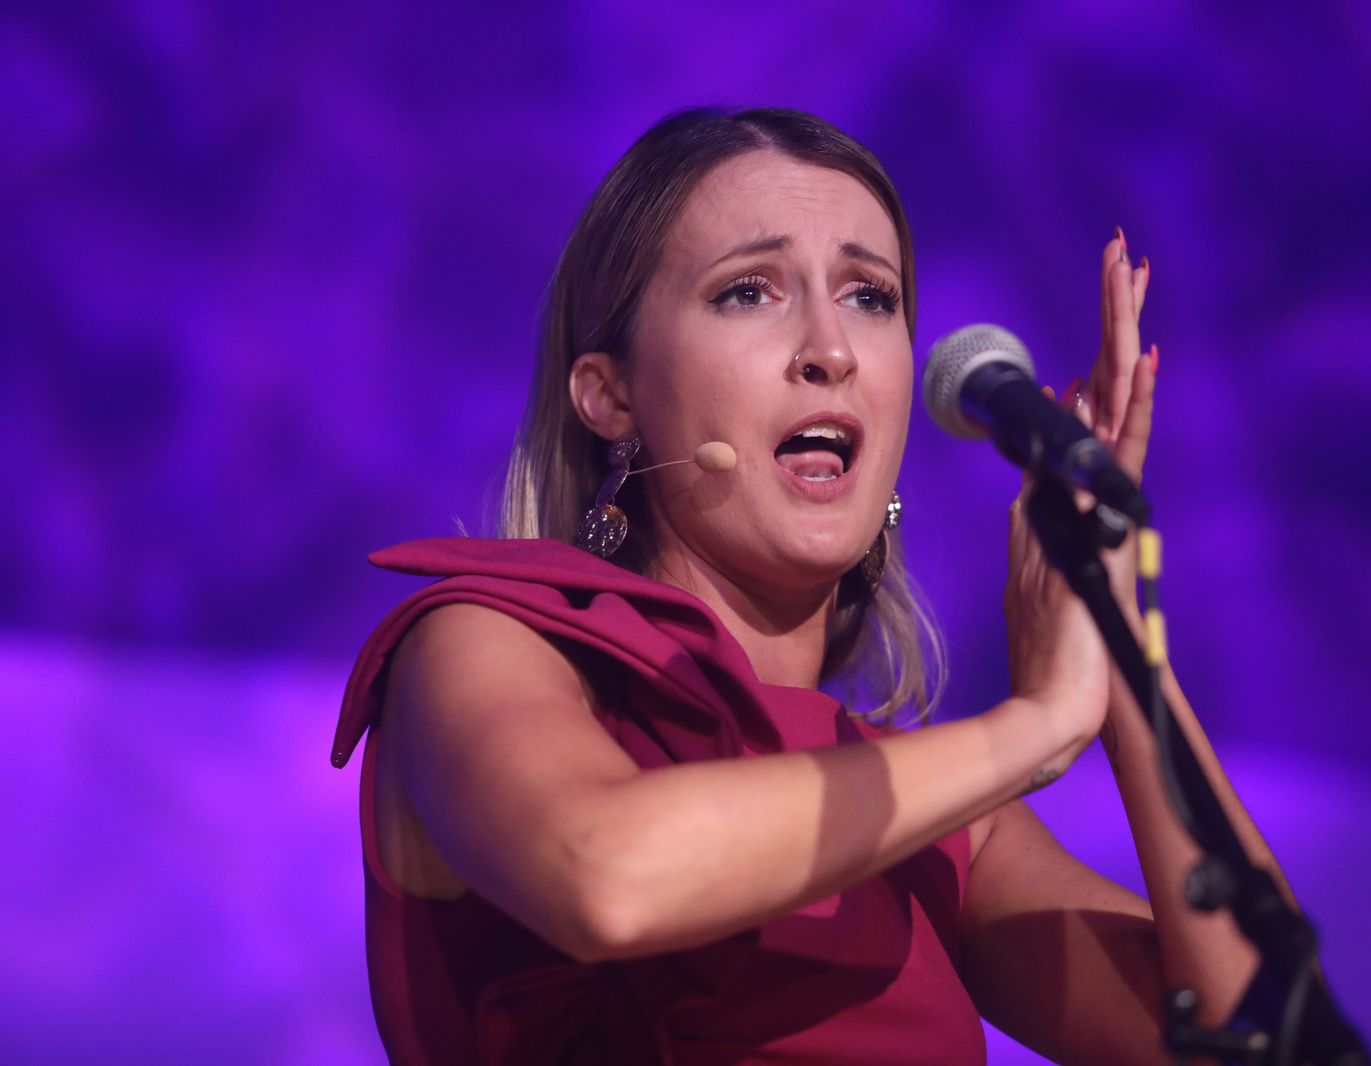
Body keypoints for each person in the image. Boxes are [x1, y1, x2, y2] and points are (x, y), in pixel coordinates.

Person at [331, 106, 1293, 1064]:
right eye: (749, 291)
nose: (831, 349)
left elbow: (1262, 1045)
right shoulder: (487, 641)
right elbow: (604, 876)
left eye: (870, 296)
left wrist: (1119, 657)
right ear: (611, 395)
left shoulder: (948, 818)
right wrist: (1037, 726)